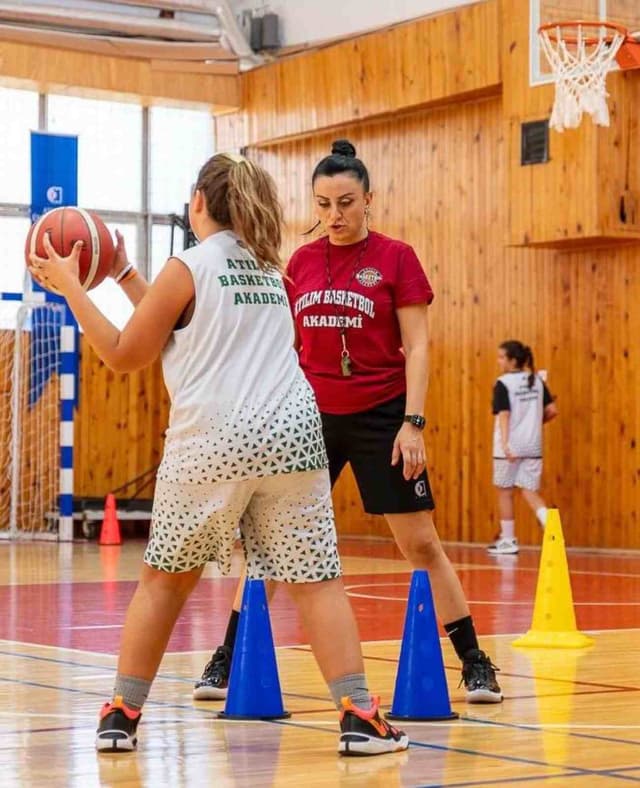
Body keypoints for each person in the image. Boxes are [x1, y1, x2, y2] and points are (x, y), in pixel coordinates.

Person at [28, 153, 409, 757]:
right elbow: (190, 322)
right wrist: (126, 273)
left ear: (197, 202)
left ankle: (122, 713)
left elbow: (129, 352)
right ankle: (360, 715)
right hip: (292, 435)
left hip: (214, 439)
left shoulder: (190, 265)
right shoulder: (274, 271)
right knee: (316, 585)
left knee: (162, 585)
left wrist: (74, 287)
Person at [195, 140, 503, 705]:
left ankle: (475, 662)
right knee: (269, 544)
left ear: (368, 200)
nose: (334, 215)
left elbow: (420, 345)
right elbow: (281, 343)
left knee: (421, 544)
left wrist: (414, 422)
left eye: (346, 202)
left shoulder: (396, 257)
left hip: (383, 417)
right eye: (323, 203)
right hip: (308, 416)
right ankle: (226, 658)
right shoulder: (302, 261)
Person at [488, 340, 558, 555]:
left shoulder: (503, 383)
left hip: (508, 448)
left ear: (512, 360)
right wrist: (534, 426)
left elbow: (504, 415)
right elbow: (552, 410)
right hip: (532, 445)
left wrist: (507, 444)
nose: (498, 361)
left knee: (505, 492)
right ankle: (551, 525)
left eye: (501, 357)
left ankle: (508, 540)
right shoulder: (536, 381)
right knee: (528, 489)